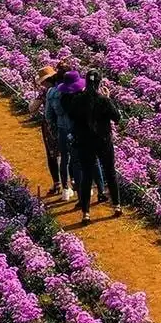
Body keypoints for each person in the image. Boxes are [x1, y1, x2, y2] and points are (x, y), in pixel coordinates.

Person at [64, 71, 122, 223]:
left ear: (86, 83)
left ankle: (86, 213)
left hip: (84, 142)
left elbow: (71, 116)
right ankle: (117, 206)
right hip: (103, 141)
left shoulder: (77, 100)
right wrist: (109, 98)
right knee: (110, 172)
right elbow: (117, 118)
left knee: (87, 176)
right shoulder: (104, 100)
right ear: (99, 83)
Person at [45, 64, 85, 202]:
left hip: (61, 129)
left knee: (63, 160)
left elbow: (48, 115)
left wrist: (55, 128)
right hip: (75, 129)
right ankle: (81, 190)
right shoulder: (74, 91)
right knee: (77, 159)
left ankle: (65, 190)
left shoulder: (51, 92)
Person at [31, 67, 67, 197]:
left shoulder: (46, 92)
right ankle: (72, 183)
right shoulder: (64, 88)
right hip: (66, 124)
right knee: (67, 154)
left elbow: (32, 108)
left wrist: (37, 99)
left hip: (51, 126)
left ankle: (57, 184)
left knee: (52, 155)